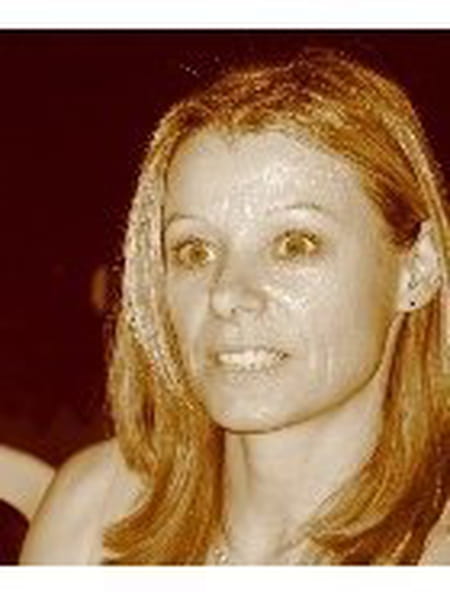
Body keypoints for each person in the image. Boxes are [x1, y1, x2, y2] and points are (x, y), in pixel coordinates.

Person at [20, 47, 450, 565]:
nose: (226, 293)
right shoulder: (90, 514)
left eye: (295, 244)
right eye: (195, 250)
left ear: (418, 267)